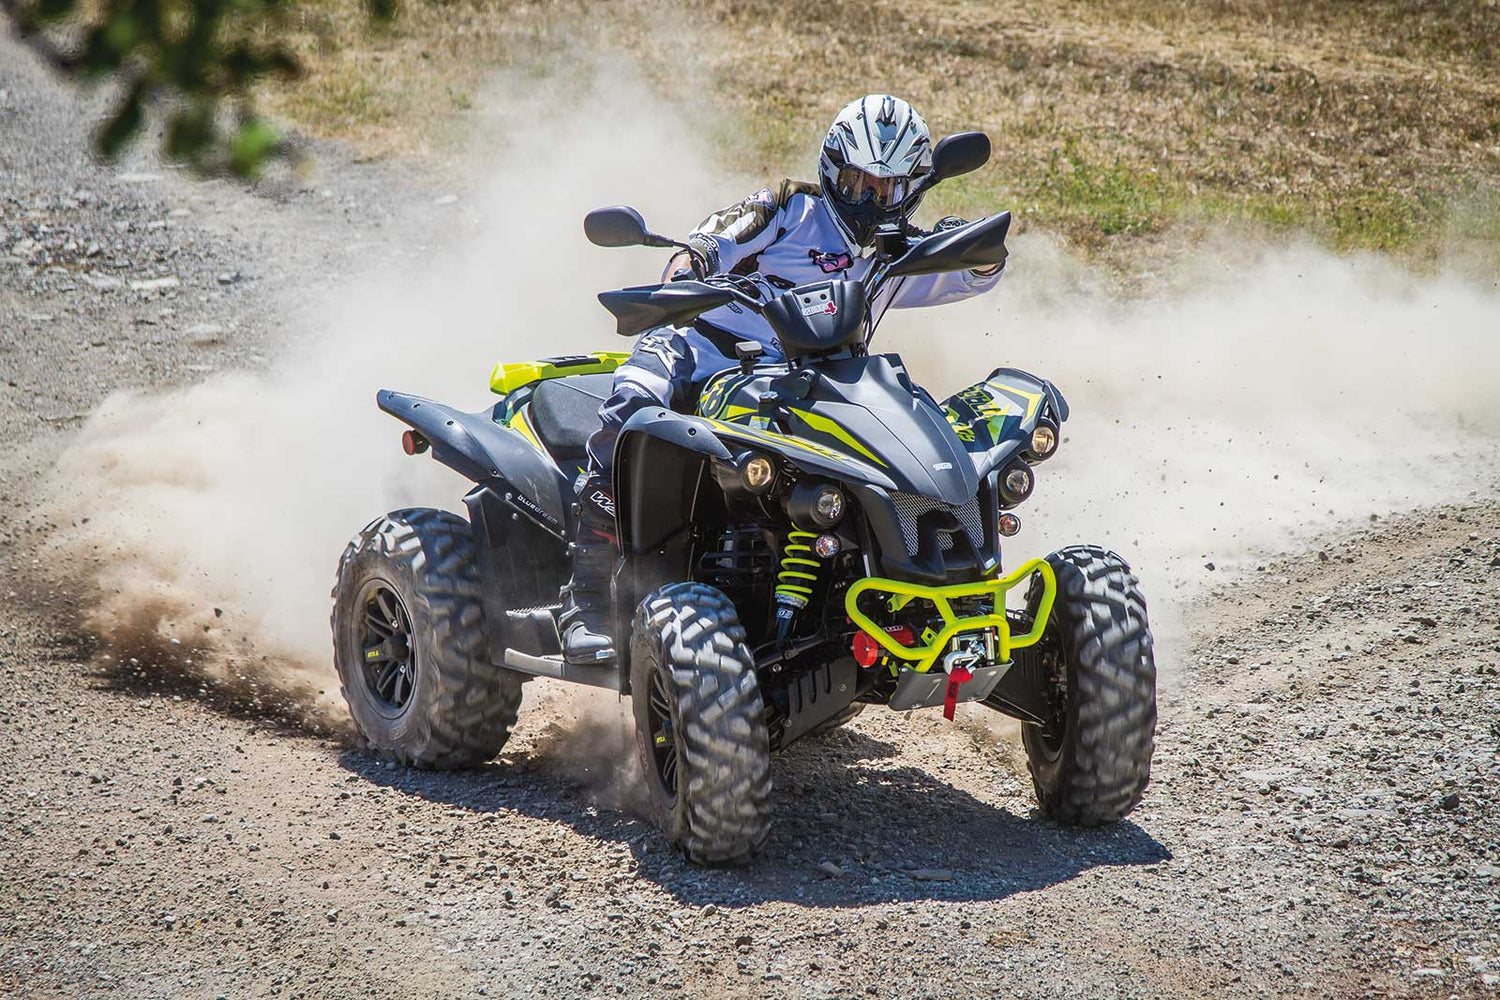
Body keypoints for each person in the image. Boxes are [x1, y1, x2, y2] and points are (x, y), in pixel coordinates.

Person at [560, 94, 1007, 663]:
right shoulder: (788, 208)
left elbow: (969, 277)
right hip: (698, 342)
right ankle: (589, 601)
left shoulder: (891, 251)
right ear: (830, 169)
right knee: (632, 408)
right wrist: (686, 276)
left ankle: (898, 594)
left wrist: (979, 250)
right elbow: (709, 242)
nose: (870, 200)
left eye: (886, 189)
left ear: (911, 189)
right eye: (856, 182)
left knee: (890, 445)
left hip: (804, 378)